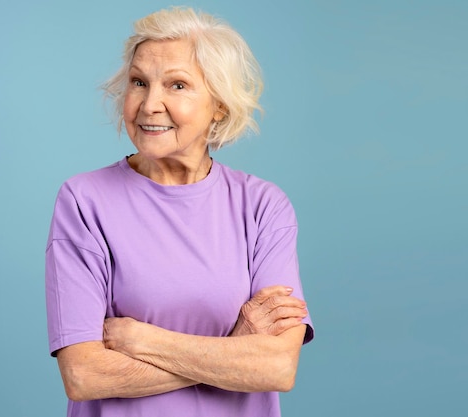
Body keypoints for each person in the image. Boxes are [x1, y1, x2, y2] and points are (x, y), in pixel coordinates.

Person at [45, 7, 314, 417]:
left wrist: (145, 340)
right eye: (139, 82)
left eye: (177, 85)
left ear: (219, 105)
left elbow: (276, 366)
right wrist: (235, 348)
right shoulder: (84, 201)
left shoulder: (263, 206)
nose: (150, 104)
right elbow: (84, 376)